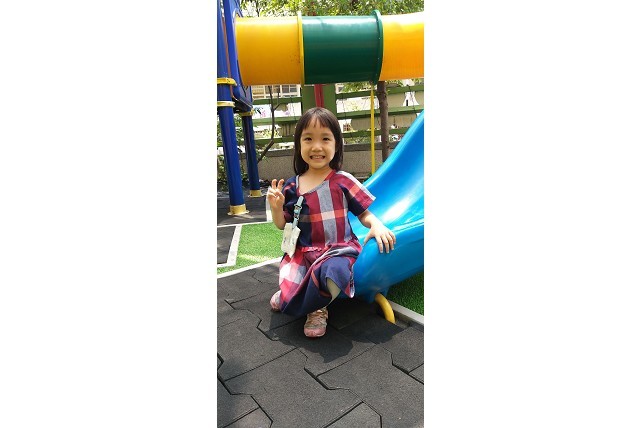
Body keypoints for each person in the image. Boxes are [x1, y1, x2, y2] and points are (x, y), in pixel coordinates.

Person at [266, 107, 396, 338]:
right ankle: (290, 295)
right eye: (308, 139)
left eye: (325, 139)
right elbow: (283, 224)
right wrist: (276, 208)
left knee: (333, 273)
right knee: (292, 275)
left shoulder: (342, 181)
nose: (317, 146)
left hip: (337, 250)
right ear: (299, 145)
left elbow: (363, 213)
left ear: (336, 145)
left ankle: (316, 308)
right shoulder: (292, 186)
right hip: (304, 252)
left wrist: (376, 224)